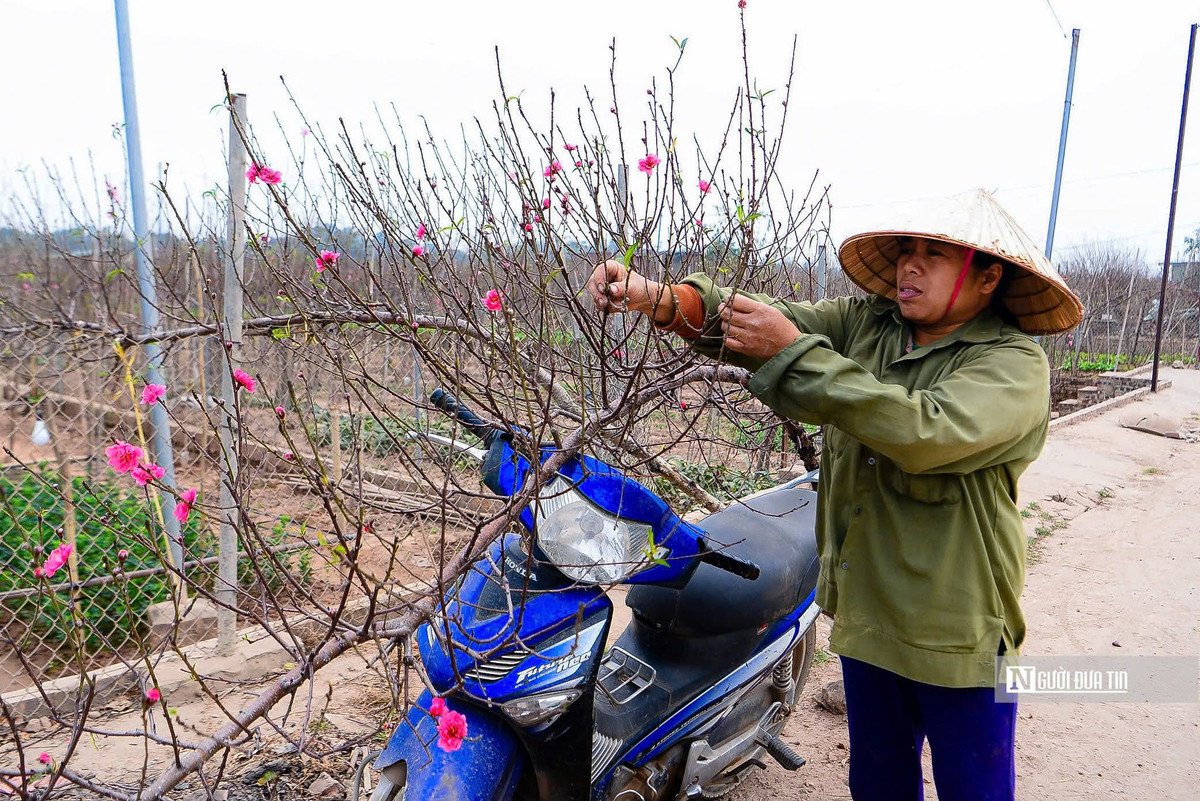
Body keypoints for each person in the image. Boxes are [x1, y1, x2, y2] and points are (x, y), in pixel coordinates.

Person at [586, 189, 1083, 801]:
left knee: (975, 786)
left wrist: (792, 352)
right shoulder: (868, 325)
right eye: (907, 250)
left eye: (933, 254)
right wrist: (660, 300)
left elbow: (922, 430)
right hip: (870, 611)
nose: (910, 265)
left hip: (959, 629)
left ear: (987, 277)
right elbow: (759, 320)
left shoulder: (1012, 365)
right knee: (877, 781)